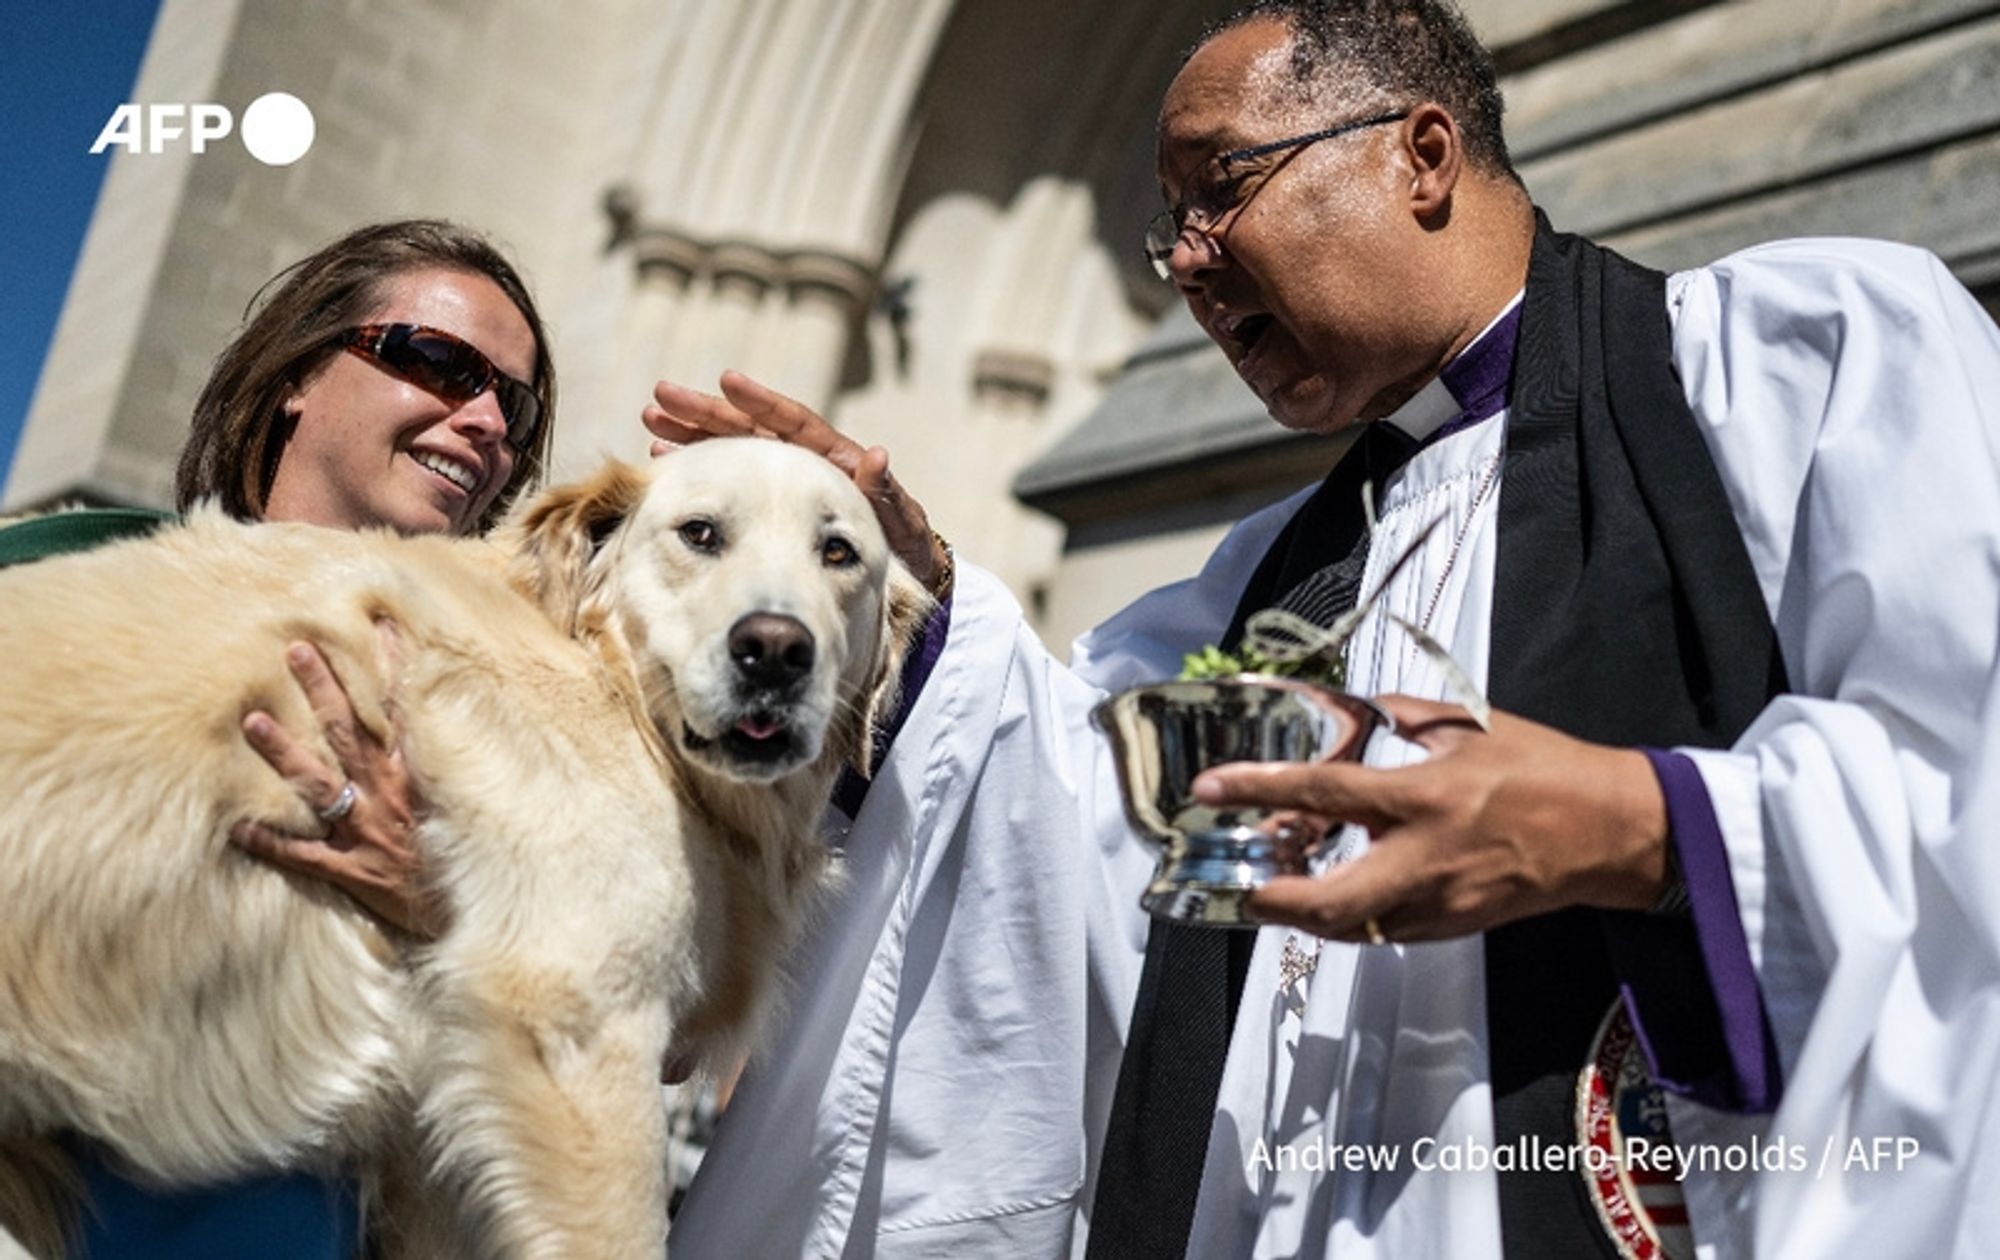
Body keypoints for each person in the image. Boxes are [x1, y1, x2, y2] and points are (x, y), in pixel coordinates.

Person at [645, 2, 2000, 1257]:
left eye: (1221, 188)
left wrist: (1640, 829)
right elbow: (1066, 832)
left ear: (1422, 155)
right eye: (1164, 226)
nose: (1183, 260)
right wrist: (911, 608)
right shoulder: (1265, 583)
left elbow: (1969, 786)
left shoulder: (1797, 363)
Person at [0, 217, 556, 1258]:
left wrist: (436, 908)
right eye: (436, 363)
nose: (482, 420)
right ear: (300, 373)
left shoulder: (501, 718)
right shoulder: (55, 584)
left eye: (511, 404)